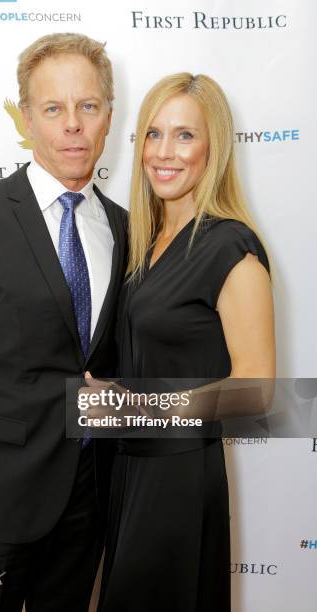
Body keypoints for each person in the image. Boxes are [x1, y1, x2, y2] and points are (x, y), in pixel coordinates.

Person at [0, 33, 127, 612]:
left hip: (91, 500)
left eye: (88, 106)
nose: (73, 125)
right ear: (27, 119)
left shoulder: (125, 226)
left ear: (109, 114)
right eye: (53, 109)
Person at [84, 73, 275, 611]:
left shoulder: (230, 246)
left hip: (179, 477)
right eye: (153, 134)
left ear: (213, 146)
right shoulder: (140, 240)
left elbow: (257, 392)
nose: (164, 153)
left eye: (185, 136)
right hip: (126, 471)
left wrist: (137, 409)